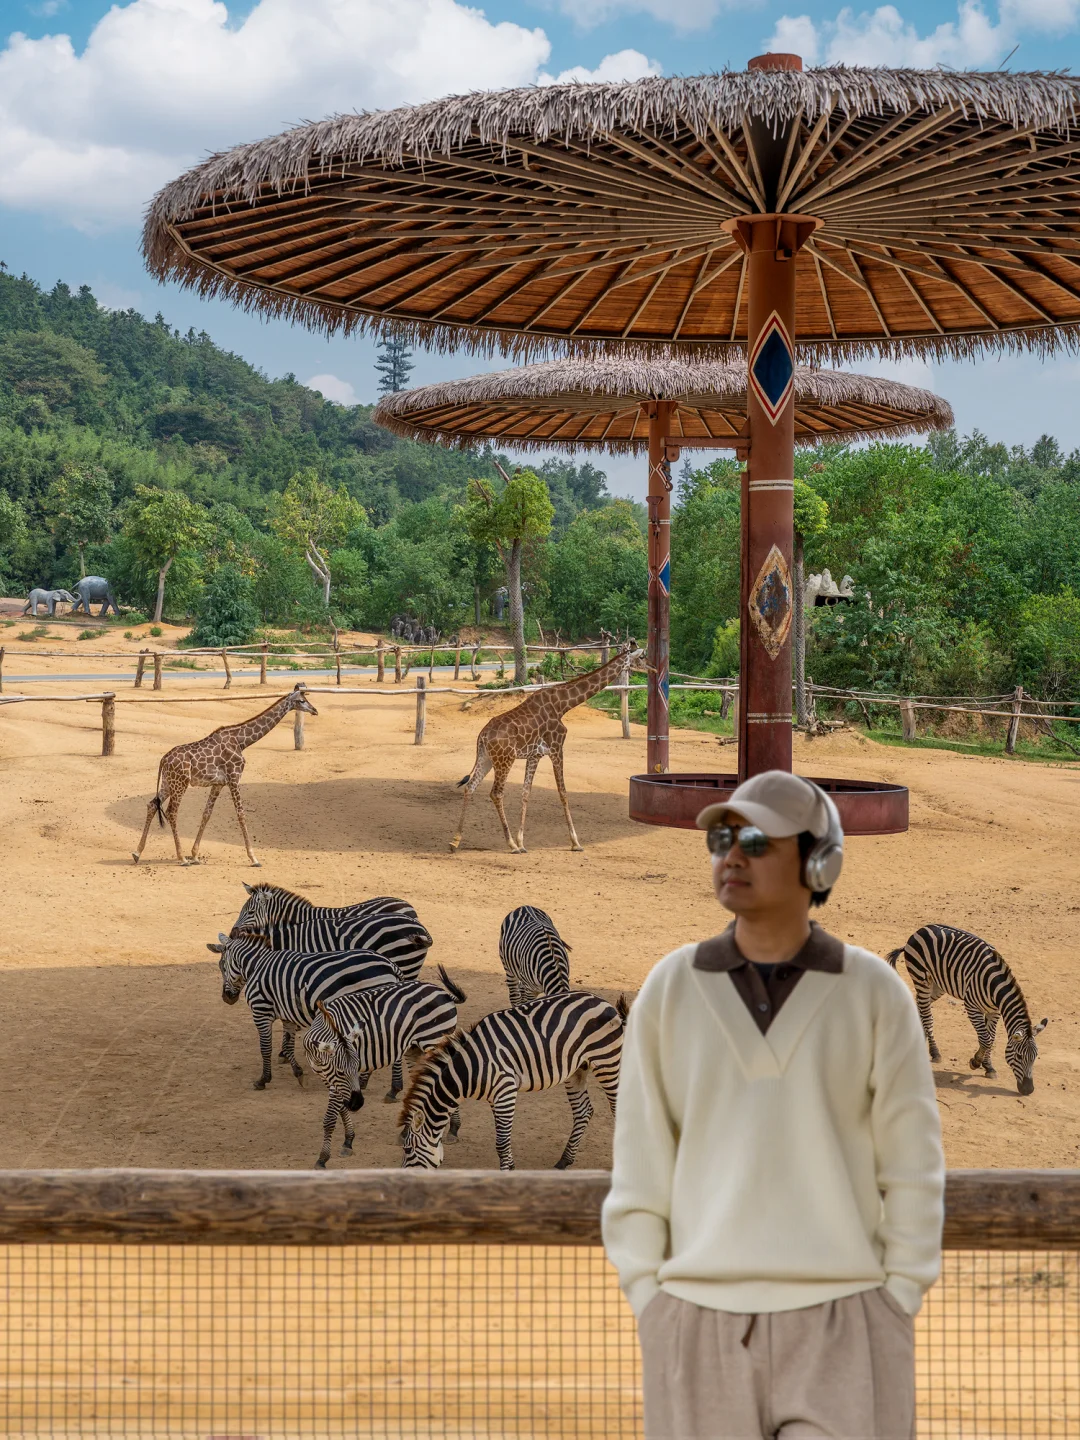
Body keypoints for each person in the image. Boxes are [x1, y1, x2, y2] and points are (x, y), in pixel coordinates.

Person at [603, 770, 944, 1440]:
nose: (732, 856)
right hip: (695, 1322)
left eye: (757, 841)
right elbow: (640, 1165)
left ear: (819, 862)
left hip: (846, 1320)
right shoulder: (669, 989)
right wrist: (653, 1303)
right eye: (722, 840)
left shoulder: (875, 993)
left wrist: (894, 1302)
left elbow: (914, 1167)